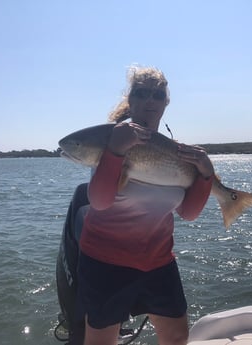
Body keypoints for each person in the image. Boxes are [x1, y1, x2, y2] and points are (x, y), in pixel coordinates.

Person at [76, 66, 214, 345]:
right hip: (105, 262)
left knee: (176, 338)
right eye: (142, 93)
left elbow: (188, 213)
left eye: (158, 94)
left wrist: (207, 174)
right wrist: (115, 152)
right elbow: (100, 203)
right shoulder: (111, 139)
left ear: (166, 102)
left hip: (158, 260)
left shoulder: (175, 153)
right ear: (131, 100)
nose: (150, 100)